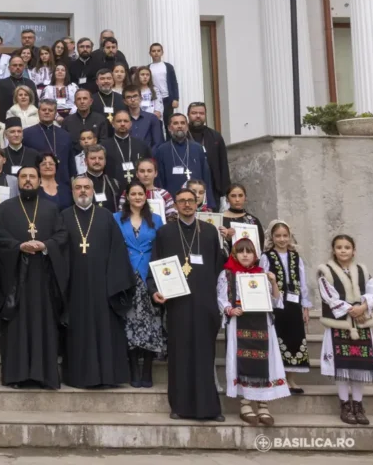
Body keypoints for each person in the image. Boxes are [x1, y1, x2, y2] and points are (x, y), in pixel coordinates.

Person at [149, 188, 226, 422]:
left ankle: (209, 408)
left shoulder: (209, 232)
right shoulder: (165, 233)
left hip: (205, 303)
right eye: (181, 201)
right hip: (178, 304)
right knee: (179, 355)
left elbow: (220, 268)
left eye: (190, 201)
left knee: (205, 356)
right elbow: (155, 264)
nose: (186, 205)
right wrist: (154, 290)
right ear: (176, 205)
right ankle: (179, 406)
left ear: (197, 203)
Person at [0, 165, 68, 389]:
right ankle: (17, 376)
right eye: (24, 177)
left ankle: (44, 376)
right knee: (17, 327)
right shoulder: (6, 208)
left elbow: (62, 235)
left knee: (43, 325)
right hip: (16, 277)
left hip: (44, 277)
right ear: (18, 181)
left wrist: (45, 245)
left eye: (32, 177)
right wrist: (19, 246)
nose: (28, 180)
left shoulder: (51, 208)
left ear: (39, 181)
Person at [60, 175, 135, 388]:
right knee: (79, 331)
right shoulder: (64, 216)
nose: (83, 191)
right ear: (72, 191)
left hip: (104, 286)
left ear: (93, 191)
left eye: (86, 187)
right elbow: (58, 250)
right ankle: (79, 376)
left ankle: (107, 376)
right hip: (75, 286)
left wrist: (114, 283)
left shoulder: (105, 216)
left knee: (105, 330)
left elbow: (118, 251)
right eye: (78, 187)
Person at [218, 238, 288, 425]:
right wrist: (230, 309)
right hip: (240, 322)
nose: (245, 255)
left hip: (262, 323)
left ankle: (263, 405)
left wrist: (273, 282)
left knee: (265, 362)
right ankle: (245, 404)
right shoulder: (227, 274)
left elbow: (276, 302)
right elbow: (221, 298)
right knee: (243, 361)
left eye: (249, 251)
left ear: (255, 255)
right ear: (234, 254)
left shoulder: (262, 274)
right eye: (241, 251)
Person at [317, 234, 373, 425]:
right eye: (339, 247)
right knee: (342, 366)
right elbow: (329, 297)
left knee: (359, 366)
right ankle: (345, 405)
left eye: (347, 247)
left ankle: (358, 405)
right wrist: (353, 310)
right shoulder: (325, 271)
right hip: (339, 325)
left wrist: (364, 307)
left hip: (361, 325)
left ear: (353, 250)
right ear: (333, 250)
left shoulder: (362, 270)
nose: (343, 250)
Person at [114, 182, 165, 388]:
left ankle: (147, 370)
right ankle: (134, 369)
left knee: (152, 324)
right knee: (130, 323)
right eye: (133, 194)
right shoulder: (116, 218)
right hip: (126, 274)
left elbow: (161, 248)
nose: (137, 197)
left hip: (149, 276)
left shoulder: (156, 219)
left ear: (146, 196)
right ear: (127, 196)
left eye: (140, 194)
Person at [259, 220, 311, 393]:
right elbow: (262, 280)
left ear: (290, 237)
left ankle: (291, 379)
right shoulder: (266, 257)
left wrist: (305, 305)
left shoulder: (296, 257)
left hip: (294, 304)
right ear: (272, 237)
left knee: (294, 338)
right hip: (276, 304)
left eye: (285, 236)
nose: (282, 239)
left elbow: (302, 282)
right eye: (278, 236)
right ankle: (279, 378)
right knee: (279, 337)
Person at [153, 114, 215, 209]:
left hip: (196, 203)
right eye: (176, 123)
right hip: (172, 204)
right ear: (169, 128)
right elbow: (159, 180)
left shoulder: (197, 148)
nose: (180, 126)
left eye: (182, 123)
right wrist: (165, 203)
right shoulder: (162, 150)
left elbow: (206, 177)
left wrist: (209, 203)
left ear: (187, 126)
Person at [188, 102, 230, 207]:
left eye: (201, 113)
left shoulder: (215, 136)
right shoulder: (183, 136)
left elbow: (223, 164)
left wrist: (225, 192)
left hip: (212, 188)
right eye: (194, 113)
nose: (198, 116)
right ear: (188, 115)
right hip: (188, 187)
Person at [22, 100, 73, 186]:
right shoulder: (27, 134)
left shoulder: (65, 135)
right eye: (44, 110)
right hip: (37, 182)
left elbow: (71, 162)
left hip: (62, 181)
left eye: (50, 110)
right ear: (38, 112)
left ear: (55, 113)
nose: (47, 112)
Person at [104, 110, 152, 188]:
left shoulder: (142, 145)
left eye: (126, 121)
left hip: (138, 190)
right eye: (119, 121)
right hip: (113, 188)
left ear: (130, 124)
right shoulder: (104, 146)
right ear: (113, 124)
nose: (122, 124)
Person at [119, 158, 177, 222]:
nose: (146, 174)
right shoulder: (127, 193)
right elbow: (121, 215)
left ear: (155, 173)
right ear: (137, 174)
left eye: (149, 171)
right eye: (142, 171)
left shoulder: (164, 194)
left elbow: (172, 216)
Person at [218, 184, 266, 253]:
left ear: (245, 198)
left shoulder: (253, 220)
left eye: (240, 196)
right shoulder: (219, 219)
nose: (237, 199)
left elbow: (259, 246)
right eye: (233, 196)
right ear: (227, 199)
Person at [148, 43, 181, 126]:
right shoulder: (148, 68)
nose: (156, 53)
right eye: (153, 51)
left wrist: (176, 98)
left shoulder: (168, 66)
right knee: (156, 122)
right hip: (154, 99)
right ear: (150, 53)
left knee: (169, 123)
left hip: (167, 99)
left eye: (158, 51)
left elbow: (174, 83)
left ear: (162, 52)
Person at [82, 144, 120, 213]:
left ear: (105, 161)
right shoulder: (77, 183)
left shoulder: (114, 183)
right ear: (85, 161)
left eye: (100, 158)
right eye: (93, 158)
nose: (97, 161)